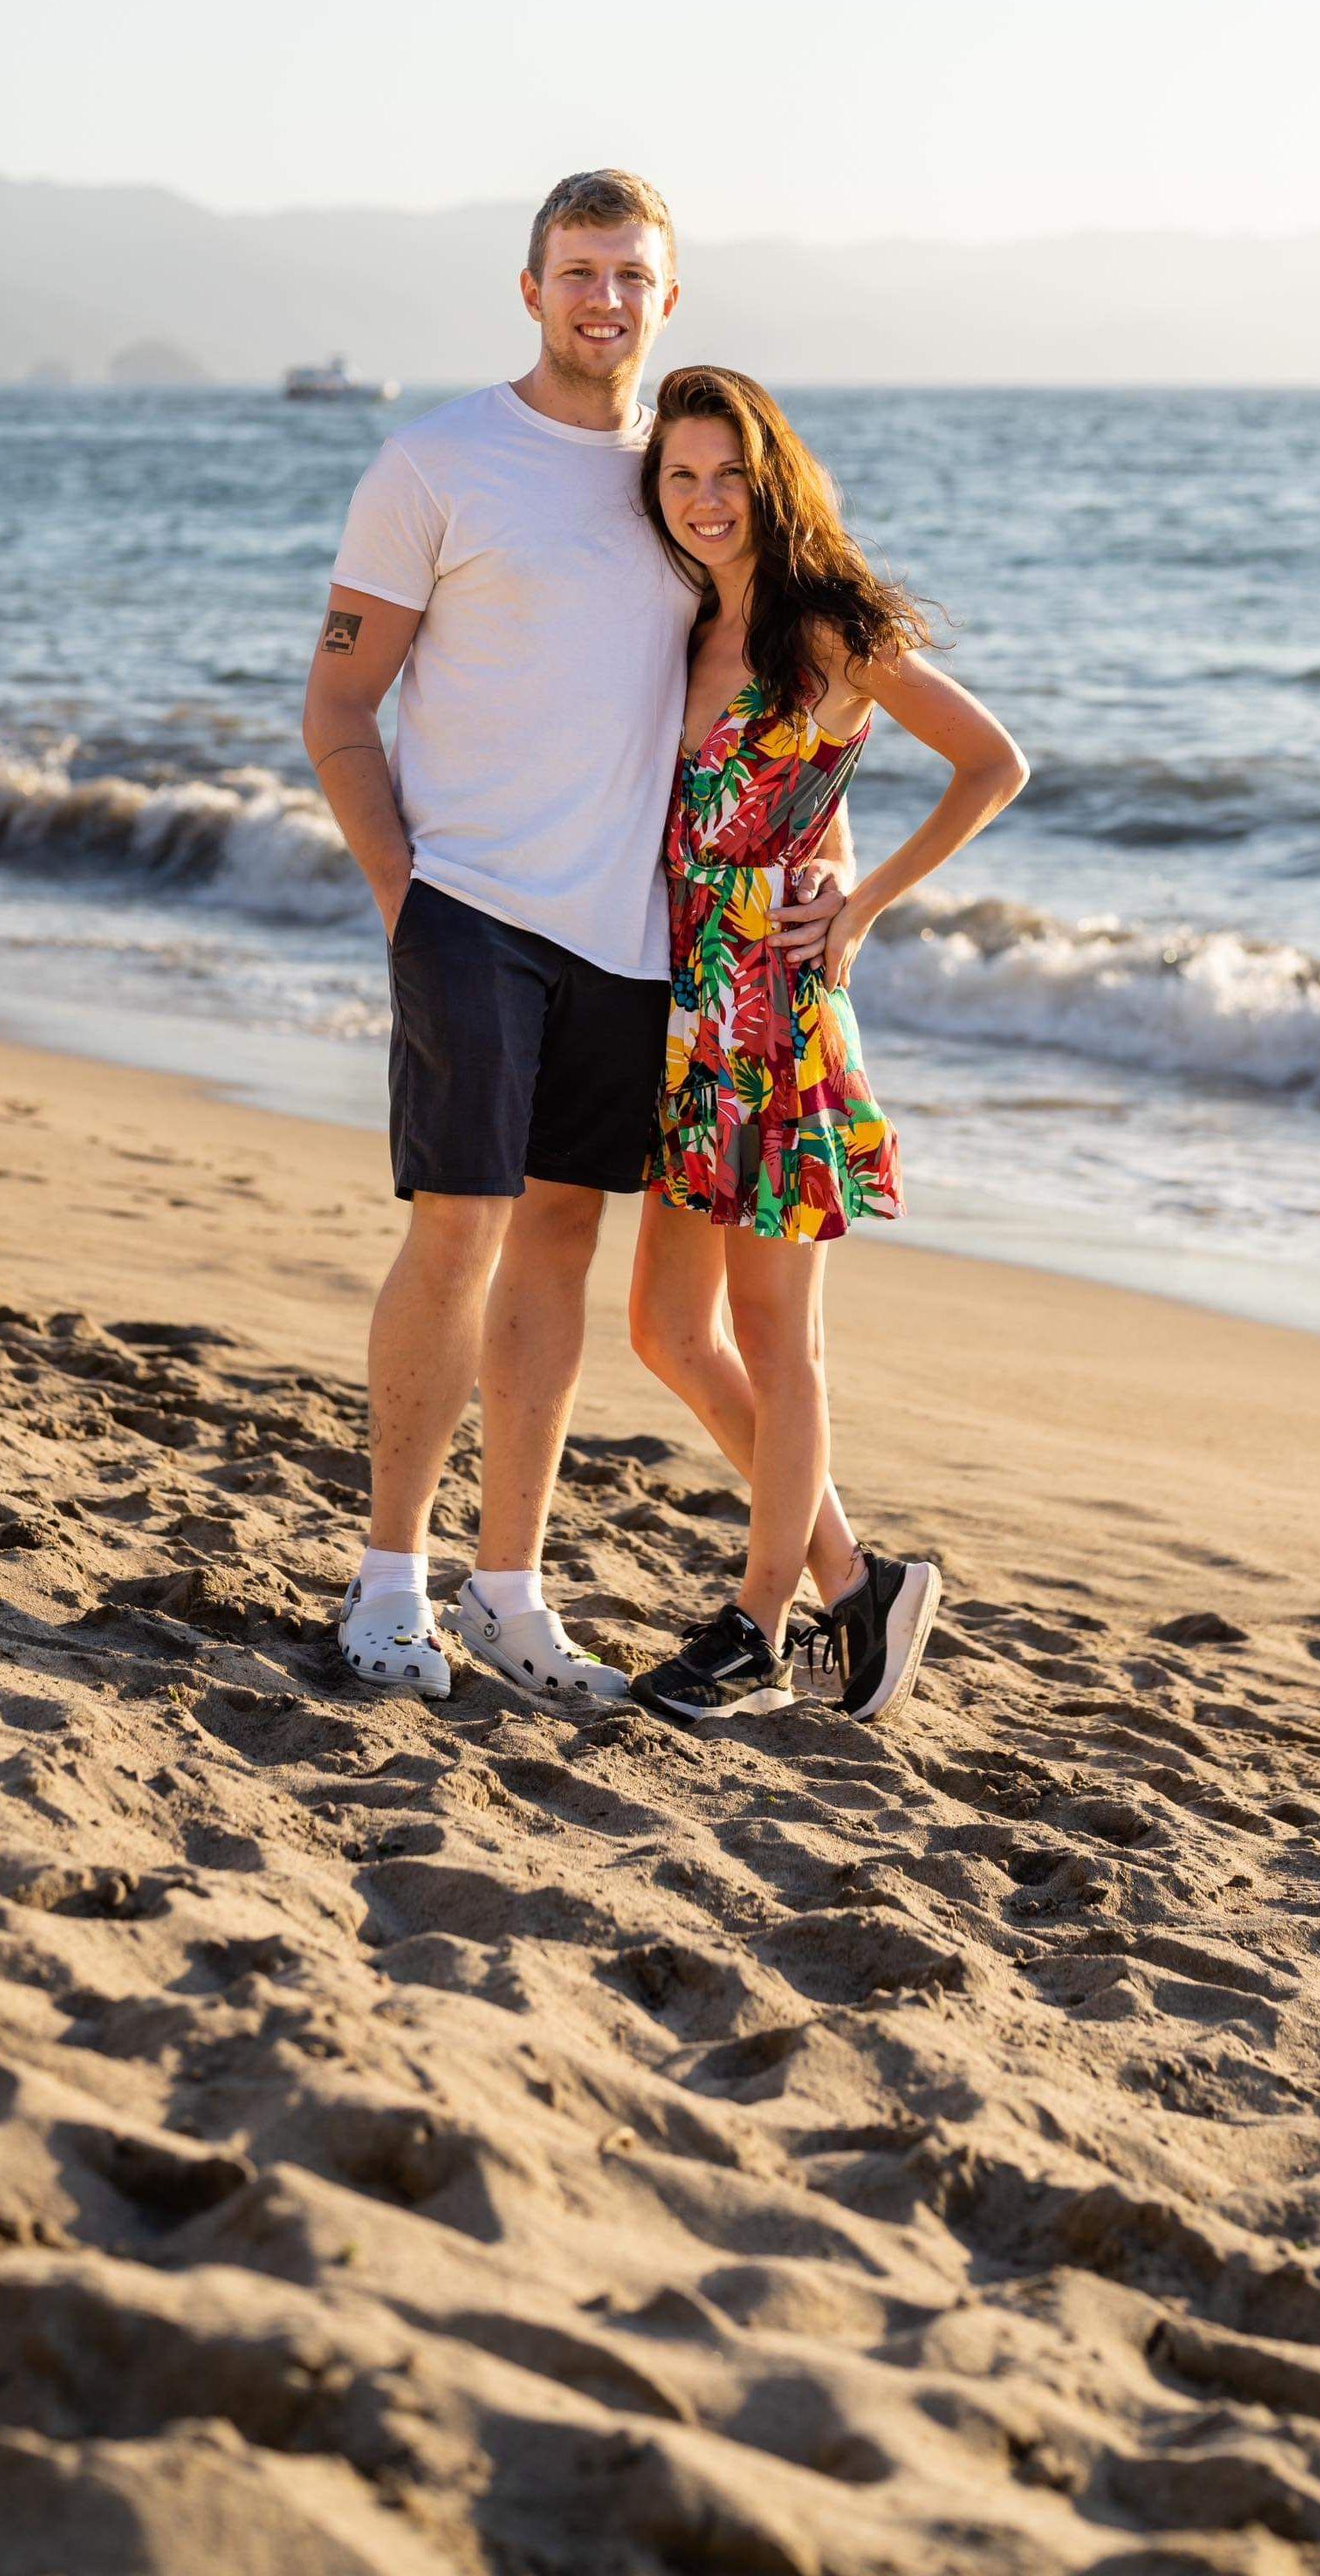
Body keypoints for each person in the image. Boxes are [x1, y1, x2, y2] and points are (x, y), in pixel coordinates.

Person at [300, 178, 850, 1704]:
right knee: (458, 1230)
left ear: (669, 300)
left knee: (557, 1241)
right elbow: (337, 707)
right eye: (578, 272)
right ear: (530, 288)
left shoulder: (688, 482)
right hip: (470, 905)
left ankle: (507, 1589)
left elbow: (790, 692)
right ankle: (389, 1582)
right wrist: (405, 891)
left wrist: (834, 869)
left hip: (636, 944)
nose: (604, 299)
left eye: (632, 276)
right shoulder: (436, 463)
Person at [620, 366, 1028, 1728]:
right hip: (687, 1010)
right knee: (665, 1327)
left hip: (777, 1016)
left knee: (771, 1333)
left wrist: (857, 900)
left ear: (769, 477)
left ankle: (759, 1623)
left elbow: (992, 763)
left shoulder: (829, 633)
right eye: (679, 476)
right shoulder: (678, 624)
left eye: (727, 474)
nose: (704, 501)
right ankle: (859, 1581)